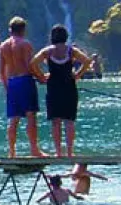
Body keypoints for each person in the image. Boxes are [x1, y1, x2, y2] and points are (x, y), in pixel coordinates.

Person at [29, 24, 92, 157]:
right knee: (69, 120)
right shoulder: (71, 51)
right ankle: (70, 152)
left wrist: (41, 76)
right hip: (69, 87)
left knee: (56, 121)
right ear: (65, 36)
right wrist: (77, 75)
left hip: (53, 88)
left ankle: (58, 152)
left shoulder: (48, 51)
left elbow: (33, 63)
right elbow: (87, 61)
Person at [0, 16, 44, 158]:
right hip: (25, 80)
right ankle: (34, 150)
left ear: (10, 30)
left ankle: (12, 152)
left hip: (12, 82)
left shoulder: (3, 46)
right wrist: (41, 77)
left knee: (13, 118)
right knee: (31, 116)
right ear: (23, 29)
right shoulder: (25, 44)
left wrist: (6, 87)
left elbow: (1, 70)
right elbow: (30, 65)